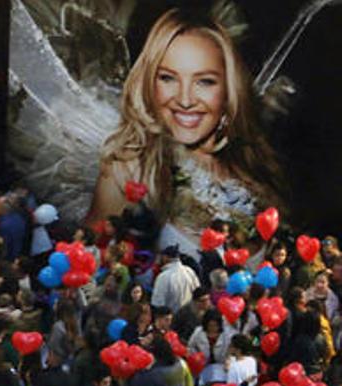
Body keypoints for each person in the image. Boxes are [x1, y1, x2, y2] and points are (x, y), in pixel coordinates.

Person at [85, 8, 286, 259]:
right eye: (168, 78)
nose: (185, 99)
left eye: (205, 81)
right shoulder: (129, 169)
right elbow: (88, 264)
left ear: (228, 90)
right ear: (148, 84)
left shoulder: (255, 174)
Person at [151, 245, 200, 312]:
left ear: (165, 257)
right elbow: (198, 293)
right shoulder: (189, 271)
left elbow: (157, 304)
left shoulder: (163, 277)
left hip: (171, 318)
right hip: (189, 315)